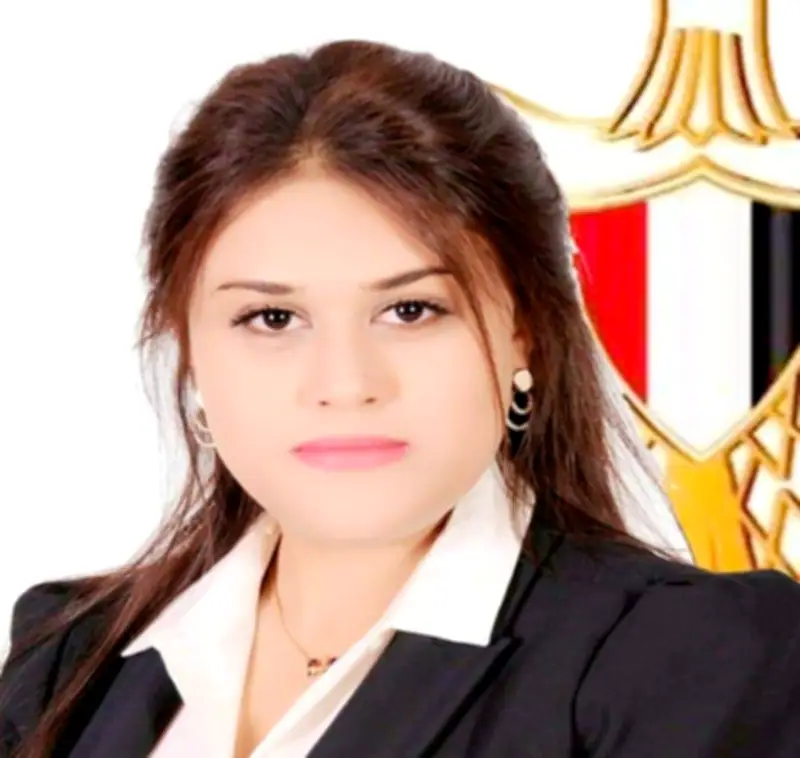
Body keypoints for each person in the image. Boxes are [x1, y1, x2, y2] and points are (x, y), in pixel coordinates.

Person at [1, 39, 799, 758]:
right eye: (272, 318)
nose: (346, 384)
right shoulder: (70, 656)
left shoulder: (689, 657)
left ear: (523, 331)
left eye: (410, 310)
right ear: (189, 347)